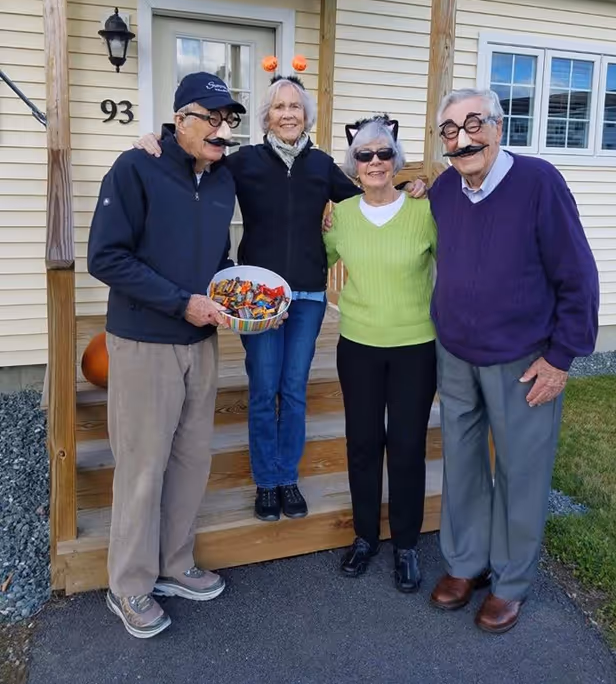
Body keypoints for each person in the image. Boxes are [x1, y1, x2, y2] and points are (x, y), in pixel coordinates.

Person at [136, 64, 426, 524]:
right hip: (258, 296)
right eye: (278, 107)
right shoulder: (243, 161)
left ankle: (287, 476)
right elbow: (196, 160)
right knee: (262, 387)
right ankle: (265, 482)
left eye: (295, 106)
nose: (287, 114)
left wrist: (416, 184)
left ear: (306, 116)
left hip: (309, 295)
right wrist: (158, 140)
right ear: (266, 117)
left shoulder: (321, 165)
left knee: (292, 389)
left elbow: (369, 192)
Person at [427, 88, 599, 634]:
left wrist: (561, 357)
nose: (463, 138)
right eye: (450, 131)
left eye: (473, 124)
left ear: (498, 127)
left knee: (522, 472)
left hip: (523, 358)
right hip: (455, 351)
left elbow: (578, 274)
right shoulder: (444, 190)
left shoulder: (538, 182)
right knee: (462, 461)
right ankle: (465, 564)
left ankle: (511, 581)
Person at [87, 73, 242, 638]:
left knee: (190, 461)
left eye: (230, 120)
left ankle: (175, 565)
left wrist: (232, 295)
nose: (223, 130)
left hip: (200, 342)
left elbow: (217, 253)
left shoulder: (221, 178)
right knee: (142, 468)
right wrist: (182, 304)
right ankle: (128, 585)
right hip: (144, 343)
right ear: (180, 120)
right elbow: (105, 257)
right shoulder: (135, 168)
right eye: (213, 117)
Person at [323, 116, 438, 593]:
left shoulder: (426, 212)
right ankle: (366, 536)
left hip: (415, 346)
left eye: (383, 154)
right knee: (363, 444)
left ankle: (407, 544)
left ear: (397, 161)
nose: (374, 162)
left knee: (409, 446)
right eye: (365, 155)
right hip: (359, 346)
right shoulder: (340, 216)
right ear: (354, 165)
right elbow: (315, 260)